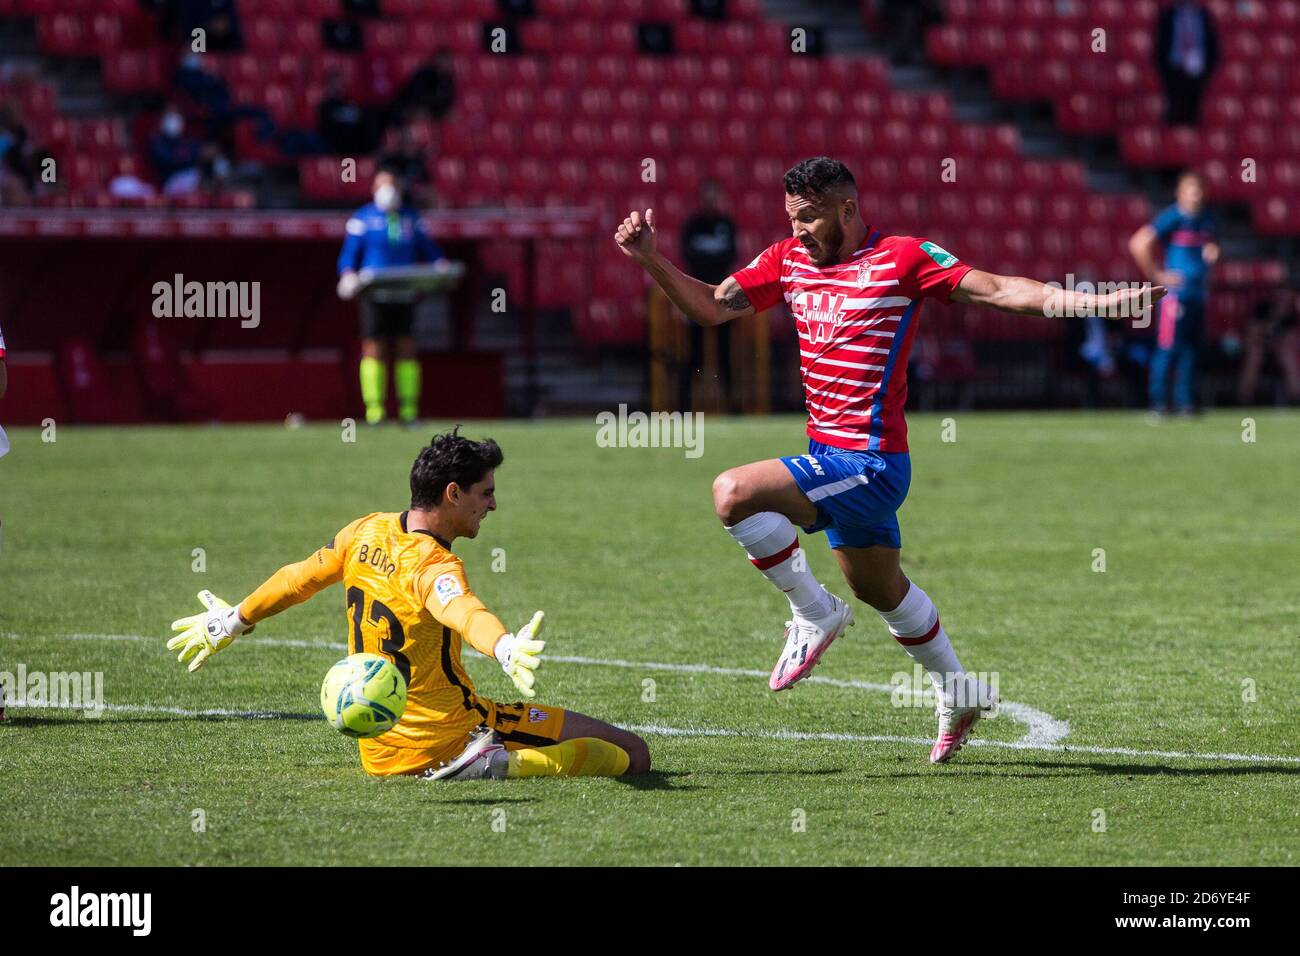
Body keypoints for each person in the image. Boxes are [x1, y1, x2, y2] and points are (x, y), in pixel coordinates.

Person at [615, 157, 1164, 763]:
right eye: (791, 217)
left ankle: (813, 613)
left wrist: (1093, 304)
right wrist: (650, 260)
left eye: (811, 217)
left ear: (848, 210)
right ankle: (959, 691)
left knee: (733, 492)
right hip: (830, 459)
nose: (798, 230)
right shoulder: (787, 260)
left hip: (872, 464)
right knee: (881, 590)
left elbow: (1000, 289)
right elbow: (713, 308)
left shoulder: (902, 257)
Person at [166, 429, 650, 781]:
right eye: (486, 494)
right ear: (453, 493)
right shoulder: (434, 564)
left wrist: (232, 621)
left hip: (379, 748)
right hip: (453, 734)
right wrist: (503, 647)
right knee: (634, 752)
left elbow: (298, 579)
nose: (493, 507)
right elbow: (462, 610)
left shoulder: (364, 531)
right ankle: (496, 764)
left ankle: (489, 760)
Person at [337, 169, 441, 426]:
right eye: (383, 185)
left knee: (407, 347)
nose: (388, 191)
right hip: (375, 293)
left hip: (404, 292)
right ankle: (375, 411)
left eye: (392, 185)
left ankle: (408, 411)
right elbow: (349, 254)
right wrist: (348, 274)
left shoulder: (409, 218)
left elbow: (429, 249)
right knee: (374, 348)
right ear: (373, 188)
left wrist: (440, 265)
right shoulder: (363, 218)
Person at [1129, 170, 1219, 415]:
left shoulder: (1207, 220)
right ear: (1180, 193)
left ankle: (1186, 402)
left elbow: (1209, 248)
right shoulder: (1172, 218)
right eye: (1192, 189)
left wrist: (1212, 253)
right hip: (1175, 296)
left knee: (1191, 349)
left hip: (1197, 294)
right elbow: (1138, 243)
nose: (1196, 195)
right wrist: (1157, 275)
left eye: (1200, 189)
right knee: (1168, 347)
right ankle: (1158, 402)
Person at [679, 179, 738, 411]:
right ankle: (683, 405)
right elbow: (689, 257)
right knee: (694, 353)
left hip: (724, 296)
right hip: (696, 296)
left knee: (725, 351)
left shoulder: (727, 224)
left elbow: (730, 256)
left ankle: (731, 404)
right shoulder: (692, 225)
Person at [1154, 0, 1217, 126]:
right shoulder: (1168, 15)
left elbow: (1212, 43)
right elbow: (1160, 44)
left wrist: (1207, 66)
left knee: (1194, 112)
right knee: (1175, 110)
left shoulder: (1204, 15)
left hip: (1198, 70)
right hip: (1174, 69)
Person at [1237, 289, 1300, 406]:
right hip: (1257, 346)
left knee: (1287, 355)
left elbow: (1288, 341)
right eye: (1281, 293)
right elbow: (1252, 334)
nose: (1284, 297)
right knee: (1255, 356)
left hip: (1278, 349)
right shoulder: (1263, 308)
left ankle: (1296, 397)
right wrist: (1274, 318)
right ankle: (1244, 398)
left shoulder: (1292, 314)